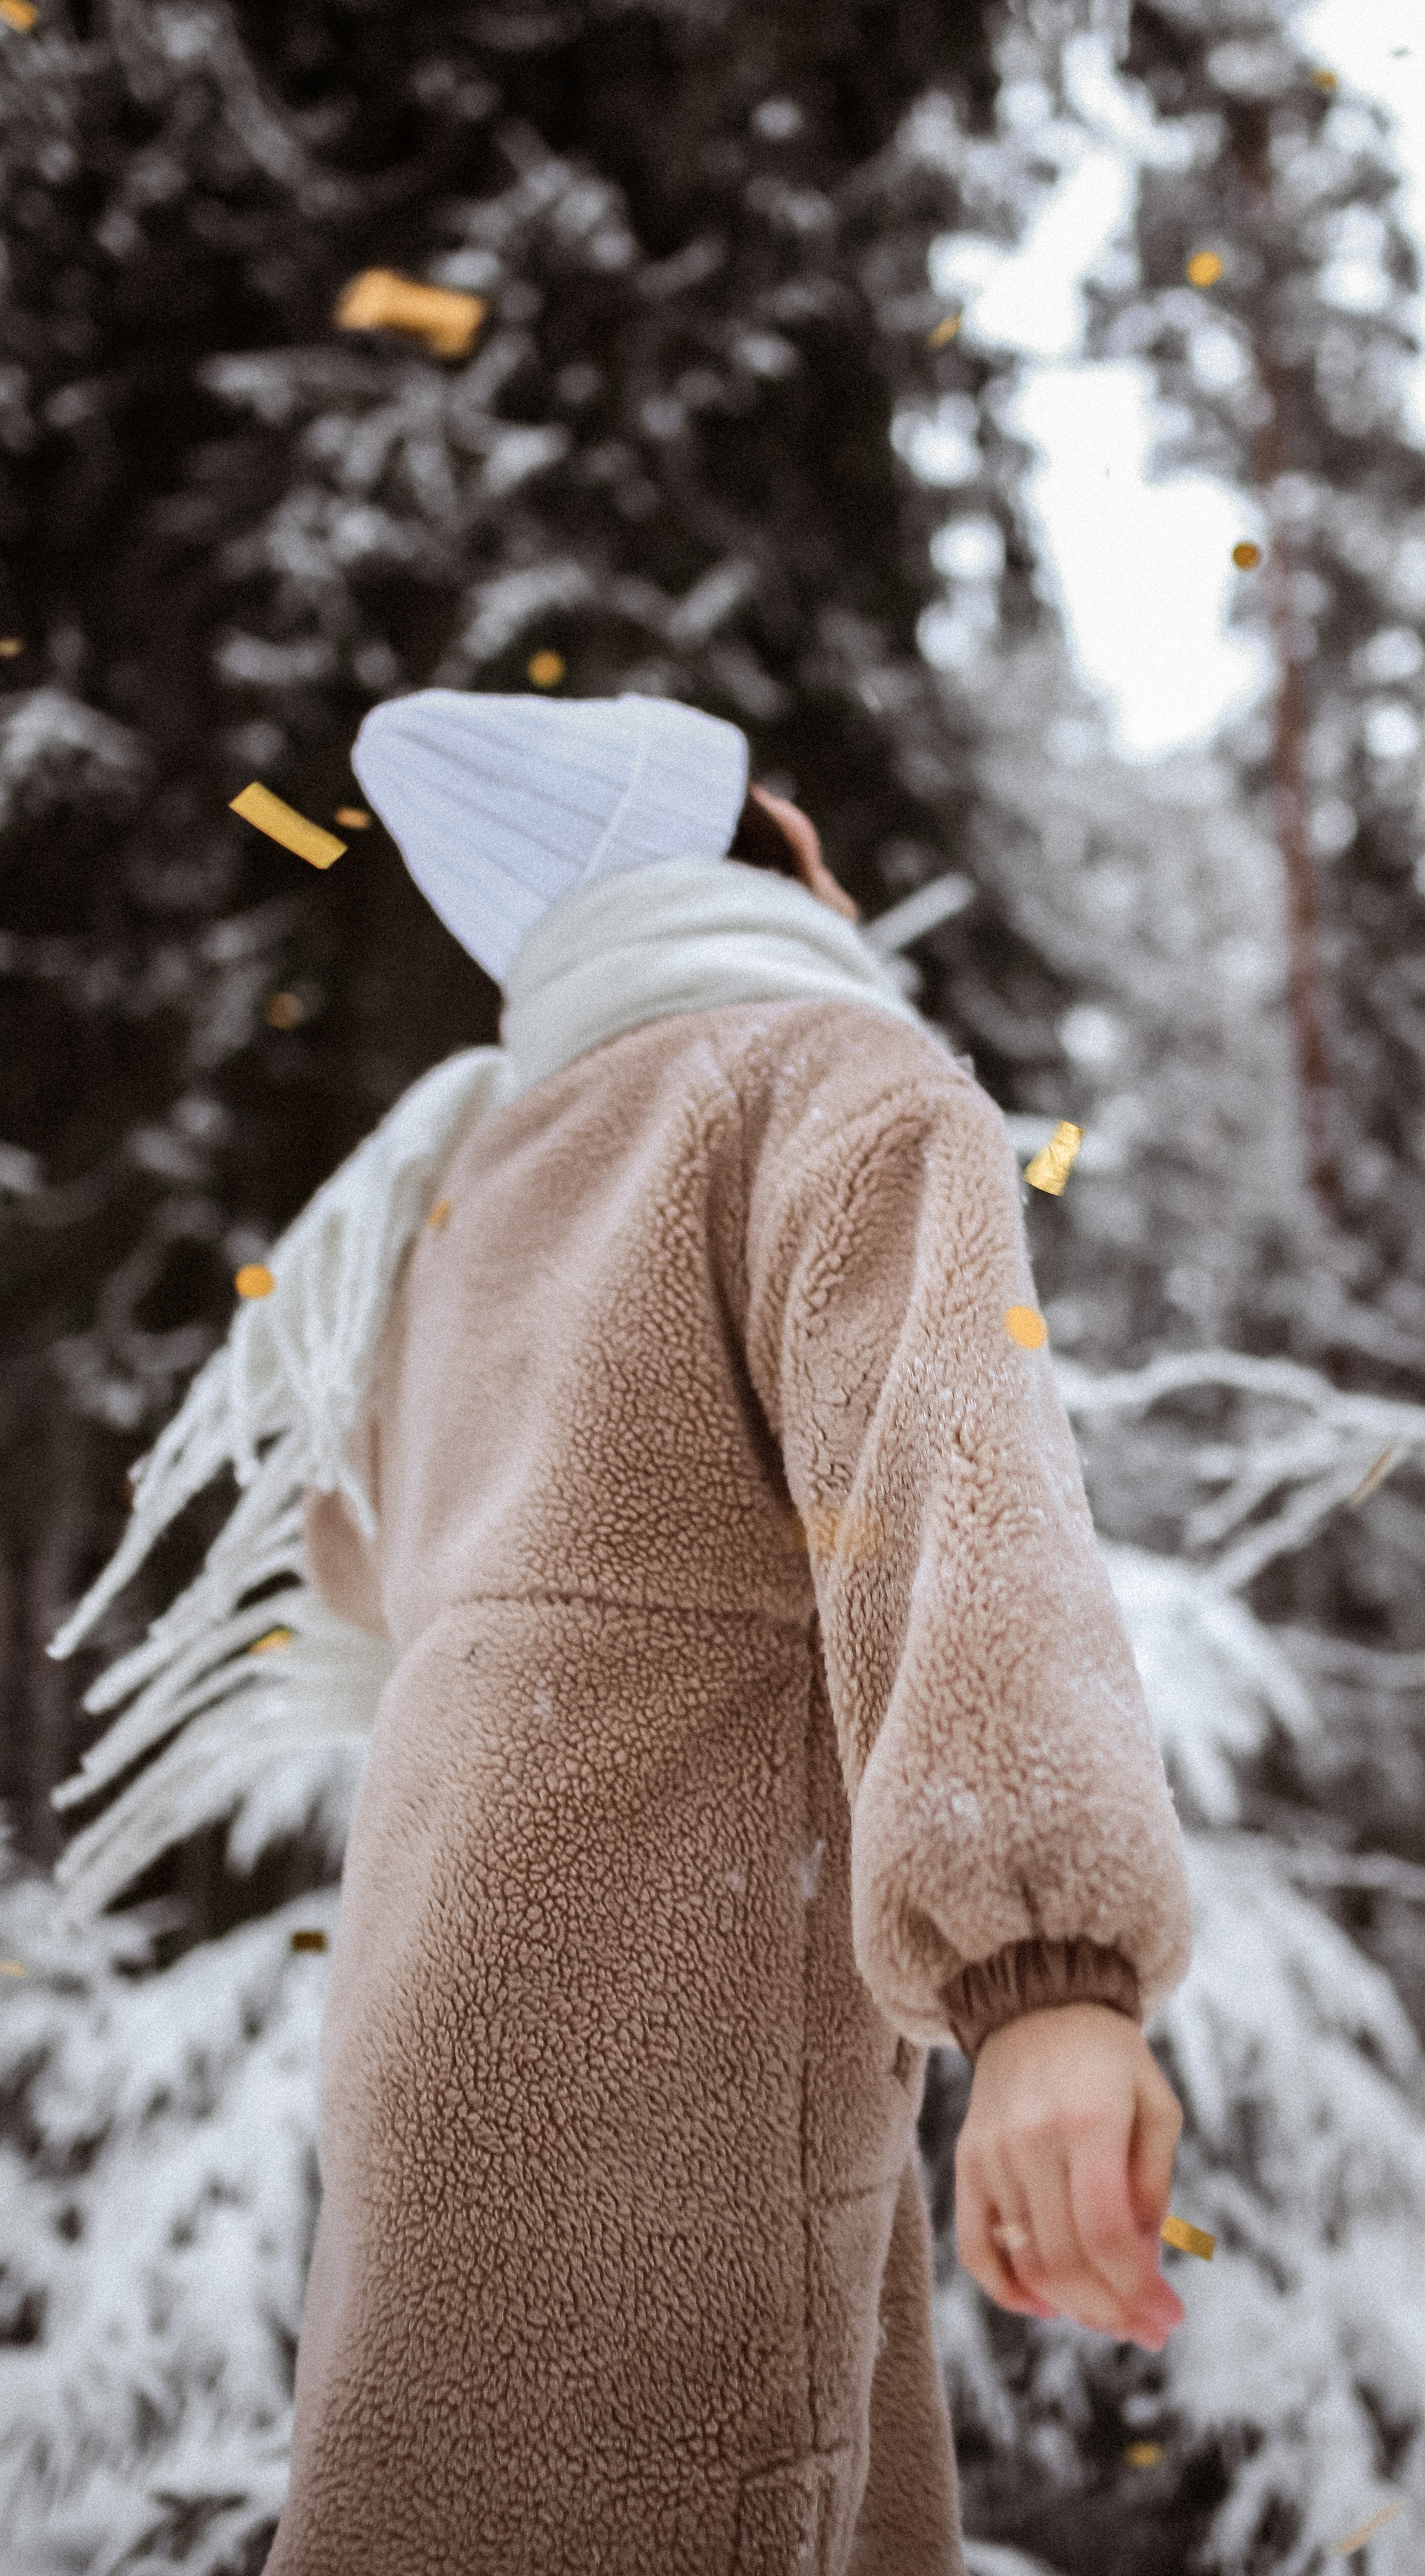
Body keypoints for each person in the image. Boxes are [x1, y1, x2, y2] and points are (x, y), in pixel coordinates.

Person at [222, 689, 1194, 2576]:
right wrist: (1048, 1974)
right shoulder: (827, 1076)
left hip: (435, 2049)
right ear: (754, 852)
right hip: (668, 2059)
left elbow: (356, 1571)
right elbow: (950, 1501)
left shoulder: (465, 1196)